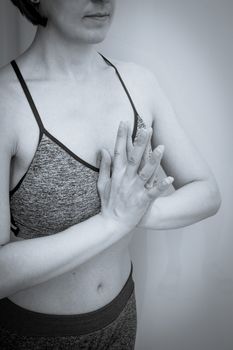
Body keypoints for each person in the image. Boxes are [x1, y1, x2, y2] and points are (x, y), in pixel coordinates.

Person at [0, 0, 222, 349]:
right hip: (36, 335)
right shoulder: (5, 101)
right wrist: (113, 222)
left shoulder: (139, 83)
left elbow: (207, 192)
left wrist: (139, 211)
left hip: (121, 319)